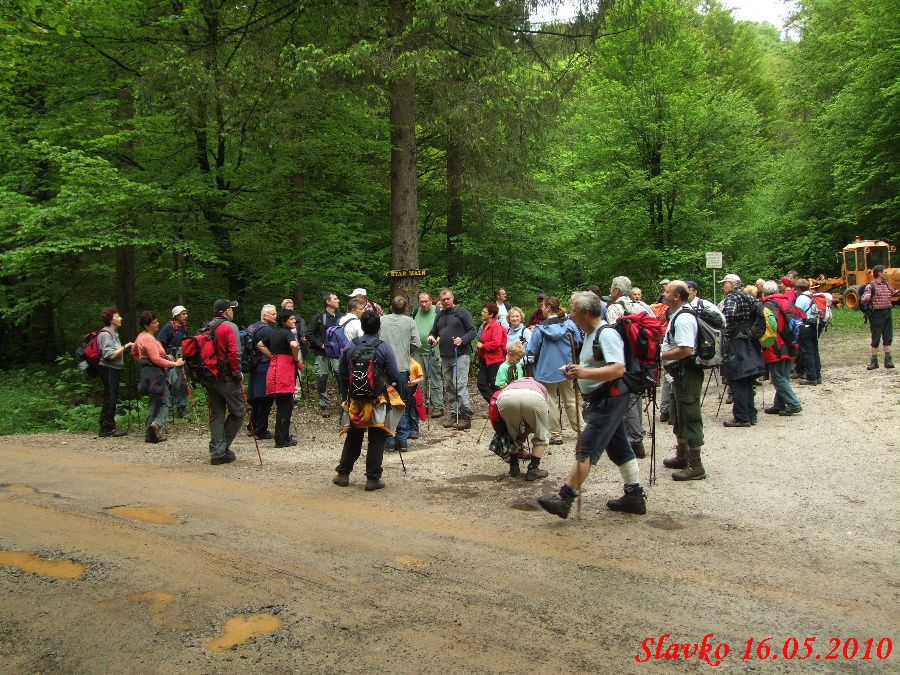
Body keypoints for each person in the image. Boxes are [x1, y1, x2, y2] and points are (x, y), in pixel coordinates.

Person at [537, 291, 647, 518]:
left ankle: (565, 498)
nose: (571, 317)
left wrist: (584, 372)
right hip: (603, 399)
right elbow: (595, 365)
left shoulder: (606, 334)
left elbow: (618, 369)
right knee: (620, 449)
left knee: (585, 448)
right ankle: (634, 496)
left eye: (574, 311)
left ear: (586, 312)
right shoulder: (590, 334)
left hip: (611, 398)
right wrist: (577, 372)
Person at [333, 310, 404, 491]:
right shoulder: (384, 347)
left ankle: (343, 474)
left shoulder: (351, 346)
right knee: (376, 439)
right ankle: (372, 479)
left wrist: (347, 392)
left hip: (356, 400)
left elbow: (342, 373)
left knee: (354, 437)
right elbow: (394, 374)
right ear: (379, 326)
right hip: (377, 399)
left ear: (362, 326)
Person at [660, 281, 706, 480]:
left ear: (677, 296)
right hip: (678, 372)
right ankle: (682, 455)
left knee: (689, 413)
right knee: (678, 413)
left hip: (686, 371)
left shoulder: (684, 318)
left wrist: (661, 355)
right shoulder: (676, 314)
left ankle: (696, 466)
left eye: (666, 291)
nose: (663, 294)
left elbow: (686, 349)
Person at [606, 276, 654, 458]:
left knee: (627, 401)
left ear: (616, 291)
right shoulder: (643, 306)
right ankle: (636, 437)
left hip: (625, 360)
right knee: (637, 398)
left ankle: (634, 441)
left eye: (612, 288)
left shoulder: (615, 308)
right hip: (644, 360)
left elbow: (612, 337)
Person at [527, 296, 581, 445]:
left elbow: (531, 350)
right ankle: (581, 429)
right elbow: (577, 342)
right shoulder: (569, 324)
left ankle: (556, 435)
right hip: (567, 368)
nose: (541, 310)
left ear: (548, 308)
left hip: (546, 371)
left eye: (543, 307)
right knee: (570, 400)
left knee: (551, 402)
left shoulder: (540, 329)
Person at [203, 299, 245, 465]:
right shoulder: (229, 327)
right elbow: (234, 352)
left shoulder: (207, 326)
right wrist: (237, 373)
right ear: (227, 311)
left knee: (217, 413)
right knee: (239, 412)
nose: (232, 312)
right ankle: (221, 449)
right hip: (226, 377)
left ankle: (216, 452)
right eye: (231, 309)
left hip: (209, 376)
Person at [428, 288, 477, 430]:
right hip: (445, 355)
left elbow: (473, 330)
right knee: (449, 386)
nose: (446, 301)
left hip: (460, 354)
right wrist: (431, 338)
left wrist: (462, 339)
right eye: (443, 300)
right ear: (440, 301)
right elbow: (434, 332)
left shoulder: (462, 312)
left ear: (452, 298)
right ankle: (454, 414)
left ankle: (466, 416)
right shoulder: (440, 315)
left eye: (448, 299)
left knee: (459, 385)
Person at [132, 310, 184, 443]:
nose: (157, 324)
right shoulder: (148, 339)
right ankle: (156, 425)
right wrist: (174, 363)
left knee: (155, 402)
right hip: (155, 374)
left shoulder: (141, 336)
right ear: (146, 325)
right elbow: (156, 360)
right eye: (154, 323)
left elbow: (134, 353)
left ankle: (149, 434)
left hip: (148, 373)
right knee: (165, 402)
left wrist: (145, 360)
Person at [720, 274, 764, 427]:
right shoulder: (747, 295)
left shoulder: (732, 297)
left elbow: (729, 315)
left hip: (737, 341)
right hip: (750, 340)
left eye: (725, 284)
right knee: (747, 379)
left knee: (736, 378)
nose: (723, 287)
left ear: (732, 284)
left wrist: (724, 324)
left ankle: (741, 417)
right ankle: (751, 415)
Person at [378, 295, 421, 450]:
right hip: (402, 367)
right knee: (402, 402)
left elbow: (376, 340)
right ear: (406, 308)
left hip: (384, 368)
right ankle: (402, 440)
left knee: (388, 403)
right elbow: (416, 342)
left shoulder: (382, 320)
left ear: (391, 307)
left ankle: (390, 440)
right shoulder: (410, 322)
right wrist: (407, 353)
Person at [259, 309, 303, 447]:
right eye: (291, 319)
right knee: (286, 406)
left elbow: (260, 344)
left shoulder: (273, 332)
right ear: (284, 321)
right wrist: (295, 358)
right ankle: (282, 439)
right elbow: (294, 345)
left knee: (281, 405)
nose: (294, 321)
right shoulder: (287, 332)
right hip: (285, 371)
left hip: (274, 369)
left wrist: (271, 356)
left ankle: (282, 437)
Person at [494, 376, 551, 480]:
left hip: (506, 397)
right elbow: (541, 420)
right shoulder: (539, 386)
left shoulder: (511, 384)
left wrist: (521, 436)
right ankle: (533, 469)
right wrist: (526, 434)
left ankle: (514, 467)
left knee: (511, 433)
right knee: (541, 433)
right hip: (534, 397)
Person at [760, 280, 803, 416]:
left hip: (776, 344)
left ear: (764, 292)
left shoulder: (768, 305)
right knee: (784, 375)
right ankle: (779, 404)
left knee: (777, 377)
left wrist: (763, 342)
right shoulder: (788, 301)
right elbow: (802, 316)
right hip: (791, 342)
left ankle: (794, 404)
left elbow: (769, 326)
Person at [96, 307, 134, 437]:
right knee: (111, 397)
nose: (120, 318)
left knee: (110, 396)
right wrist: (125, 347)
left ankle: (105, 424)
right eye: (117, 316)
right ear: (111, 320)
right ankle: (108, 428)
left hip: (113, 369)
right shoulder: (106, 334)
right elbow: (109, 356)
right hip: (108, 369)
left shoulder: (113, 333)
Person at [308, 292, 342, 415]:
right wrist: (321, 345)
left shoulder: (340, 317)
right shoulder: (319, 316)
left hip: (337, 354)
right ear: (328, 302)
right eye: (335, 299)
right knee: (322, 378)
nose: (338, 301)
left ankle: (343, 404)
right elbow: (309, 333)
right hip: (322, 353)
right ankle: (325, 405)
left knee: (340, 377)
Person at [246, 305, 277, 439]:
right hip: (264, 366)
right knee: (266, 398)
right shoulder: (266, 330)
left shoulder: (252, 327)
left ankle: (252, 426)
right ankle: (260, 430)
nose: (276, 316)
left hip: (254, 365)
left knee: (257, 398)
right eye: (273, 314)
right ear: (265, 316)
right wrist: (273, 357)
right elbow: (273, 347)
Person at [861, 265, 900, 369]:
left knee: (888, 337)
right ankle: (874, 362)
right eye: (885, 272)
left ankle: (888, 361)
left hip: (888, 313)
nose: (887, 274)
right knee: (876, 338)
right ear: (879, 273)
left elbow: (893, 293)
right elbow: (864, 299)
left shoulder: (886, 284)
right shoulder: (871, 286)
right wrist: (867, 297)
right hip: (877, 314)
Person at [414, 291, 444, 418]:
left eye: (426, 301)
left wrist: (438, 339)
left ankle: (438, 406)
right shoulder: (415, 312)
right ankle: (423, 405)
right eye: (421, 301)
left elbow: (443, 330)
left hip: (434, 352)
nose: (424, 304)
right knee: (421, 380)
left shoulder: (438, 311)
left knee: (435, 379)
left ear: (431, 301)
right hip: (419, 352)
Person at [156, 305, 189, 418]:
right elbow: (159, 341)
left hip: (182, 359)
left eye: (186, 313)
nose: (186, 316)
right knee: (172, 385)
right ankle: (168, 411)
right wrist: (165, 354)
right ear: (176, 315)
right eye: (183, 314)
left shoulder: (184, 327)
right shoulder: (170, 327)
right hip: (172, 360)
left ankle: (181, 408)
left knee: (183, 384)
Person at [474, 303, 508, 403]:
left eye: (484, 312)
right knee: (481, 383)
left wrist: (483, 346)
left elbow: (496, 343)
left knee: (495, 386)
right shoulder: (485, 325)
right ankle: (496, 404)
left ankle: (499, 407)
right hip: (486, 360)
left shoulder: (495, 326)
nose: (481, 313)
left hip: (496, 360)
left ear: (491, 315)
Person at [793, 278, 822, 385]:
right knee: (815, 351)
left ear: (799, 288)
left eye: (796, 288)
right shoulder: (812, 295)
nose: (795, 290)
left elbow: (796, 312)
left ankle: (811, 377)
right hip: (815, 325)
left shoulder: (801, 298)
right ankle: (818, 376)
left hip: (805, 326)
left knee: (807, 351)